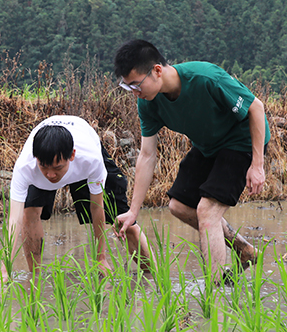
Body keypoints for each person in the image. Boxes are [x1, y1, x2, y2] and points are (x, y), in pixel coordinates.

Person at [113, 39, 270, 283]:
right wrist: (133, 211)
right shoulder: (148, 104)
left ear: (157, 70)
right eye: (128, 87)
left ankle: (215, 292)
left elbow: (256, 108)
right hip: (208, 146)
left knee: (207, 211)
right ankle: (244, 249)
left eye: (136, 84)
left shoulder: (205, 78)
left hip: (242, 141)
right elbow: (147, 155)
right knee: (179, 206)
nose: (135, 92)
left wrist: (257, 165)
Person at [6, 115, 153, 279]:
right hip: (45, 152)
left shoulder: (91, 160)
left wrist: (101, 258)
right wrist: (5, 269)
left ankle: (155, 278)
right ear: (36, 159)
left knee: (123, 217)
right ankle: (36, 277)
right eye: (44, 167)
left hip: (83, 147)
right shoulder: (25, 167)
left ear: (72, 155)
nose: (51, 175)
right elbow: (14, 220)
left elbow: (96, 207)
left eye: (57, 168)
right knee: (29, 211)